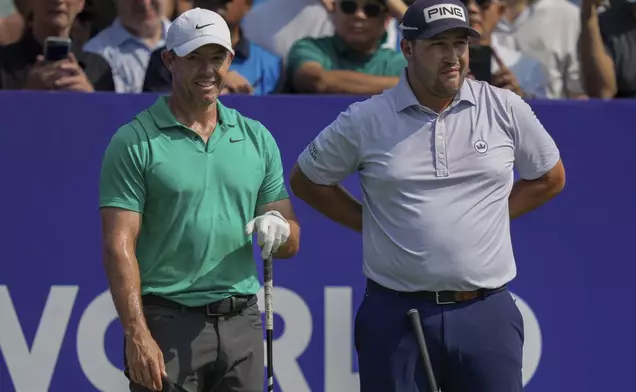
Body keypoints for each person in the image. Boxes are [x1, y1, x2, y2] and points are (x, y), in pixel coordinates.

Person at [289, 0, 565, 391]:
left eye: (460, 44)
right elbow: (306, 179)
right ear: (407, 49)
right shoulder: (366, 118)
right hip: (396, 314)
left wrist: (488, 218)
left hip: (486, 313)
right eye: (438, 45)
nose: (452, 56)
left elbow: (550, 176)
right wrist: (371, 223)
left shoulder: (505, 107)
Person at [99, 7, 300, 392]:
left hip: (242, 320)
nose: (208, 70)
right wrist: (136, 334)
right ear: (169, 61)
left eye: (217, 57)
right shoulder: (134, 141)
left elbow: (291, 242)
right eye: (194, 58)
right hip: (167, 322)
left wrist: (280, 231)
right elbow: (117, 246)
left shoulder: (257, 138)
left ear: (230, 57)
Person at [143, 0, 283, 95]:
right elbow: (160, 117)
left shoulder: (272, 65)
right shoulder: (167, 58)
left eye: (225, 0)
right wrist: (215, 81)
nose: (216, 4)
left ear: (248, 3)